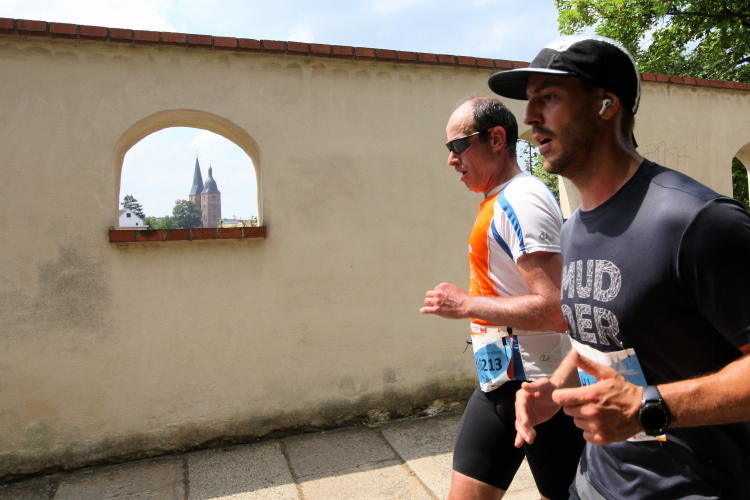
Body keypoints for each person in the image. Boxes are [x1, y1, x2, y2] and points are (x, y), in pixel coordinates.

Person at [488, 35, 750, 499]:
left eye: (549, 97)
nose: (528, 118)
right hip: (594, 483)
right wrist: (556, 388)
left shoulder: (696, 222)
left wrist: (650, 407)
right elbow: (606, 341)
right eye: (529, 101)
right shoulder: (573, 229)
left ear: (607, 104)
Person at [421, 96, 585, 500]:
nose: (451, 159)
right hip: (501, 381)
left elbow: (555, 309)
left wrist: (466, 305)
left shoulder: (522, 199)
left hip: (541, 385)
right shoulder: (498, 198)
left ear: (496, 139)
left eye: (458, 146)